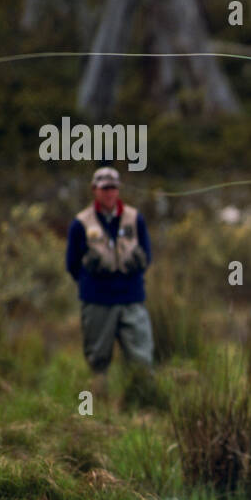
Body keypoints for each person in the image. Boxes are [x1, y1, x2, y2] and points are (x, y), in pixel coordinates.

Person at [65, 166, 154, 395]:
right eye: (104, 188)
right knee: (97, 360)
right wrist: (93, 283)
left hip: (131, 298)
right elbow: (72, 264)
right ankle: (99, 408)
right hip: (97, 301)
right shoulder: (80, 223)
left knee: (141, 355)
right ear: (95, 190)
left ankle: (144, 403)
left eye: (113, 188)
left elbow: (147, 256)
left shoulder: (135, 219)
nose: (109, 193)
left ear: (119, 190)